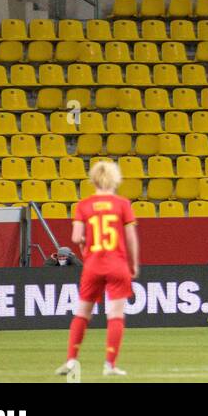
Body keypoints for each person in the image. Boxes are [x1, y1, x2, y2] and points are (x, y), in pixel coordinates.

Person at [55, 160, 139, 379]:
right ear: (115, 179)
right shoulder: (122, 204)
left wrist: (84, 243)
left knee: (82, 313)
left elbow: (75, 237)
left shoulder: (83, 205)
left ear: (93, 179)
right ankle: (110, 364)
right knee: (115, 314)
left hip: (93, 264)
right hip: (117, 263)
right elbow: (130, 238)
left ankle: (71, 360)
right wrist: (134, 264)